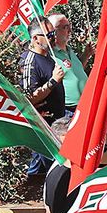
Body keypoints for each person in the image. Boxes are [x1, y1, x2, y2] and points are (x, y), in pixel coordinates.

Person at [21, 23, 66, 179]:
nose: (53, 37)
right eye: (49, 35)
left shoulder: (48, 56)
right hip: (43, 127)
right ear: (35, 38)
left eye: (53, 33)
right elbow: (28, 97)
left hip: (57, 123)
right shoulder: (29, 61)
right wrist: (53, 81)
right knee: (41, 170)